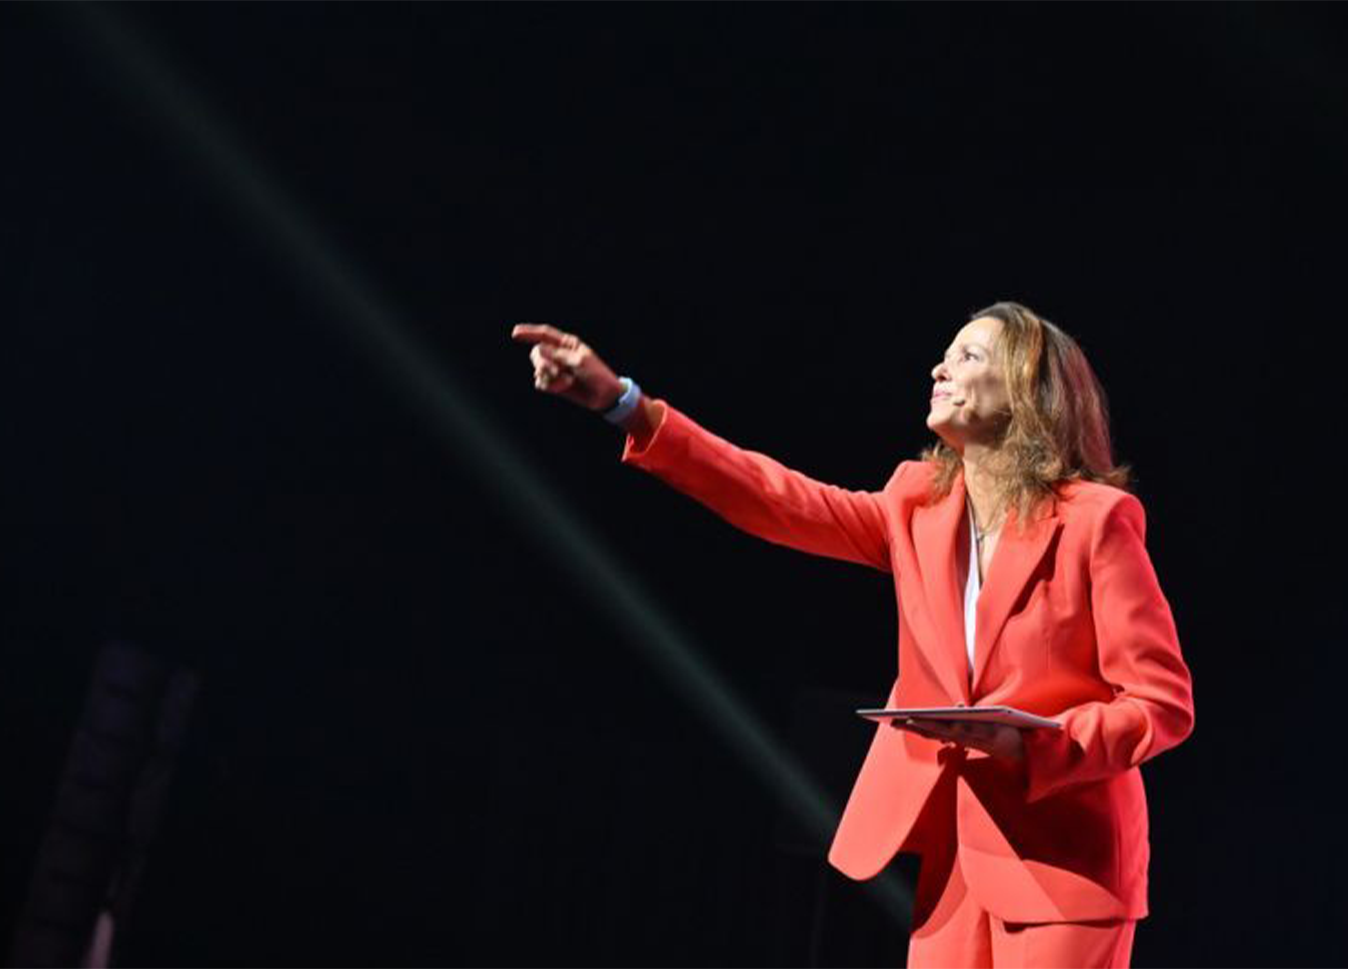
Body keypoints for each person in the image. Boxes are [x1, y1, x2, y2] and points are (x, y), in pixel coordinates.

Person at [510, 302, 1194, 969]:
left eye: (968, 356)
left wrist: (1035, 744)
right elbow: (778, 498)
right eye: (946, 354)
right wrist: (624, 404)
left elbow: (1162, 704)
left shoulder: (1096, 523)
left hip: (1065, 863)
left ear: (1025, 390)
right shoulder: (917, 505)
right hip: (956, 862)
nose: (940, 367)